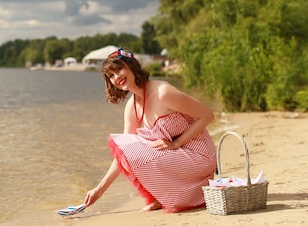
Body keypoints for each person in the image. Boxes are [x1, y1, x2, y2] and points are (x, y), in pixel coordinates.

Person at [83, 48, 217, 213]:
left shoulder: (163, 93)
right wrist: (99, 190)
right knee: (127, 146)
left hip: (199, 156)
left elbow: (207, 115)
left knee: (136, 149)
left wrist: (176, 143)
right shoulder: (132, 106)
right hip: (178, 156)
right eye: (111, 75)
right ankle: (161, 198)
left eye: (119, 69)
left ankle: (163, 198)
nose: (116, 77)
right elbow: (122, 154)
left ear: (132, 66)